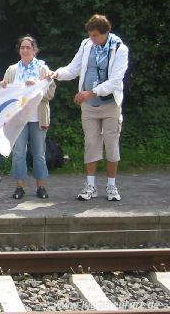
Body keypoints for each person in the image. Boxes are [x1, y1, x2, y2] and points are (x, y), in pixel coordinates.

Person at [50, 14, 129, 201]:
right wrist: (56, 74)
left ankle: (111, 186)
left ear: (105, 33)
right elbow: (73, 69)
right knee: (91, 144)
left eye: (95, 35)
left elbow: (116, 81)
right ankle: (90, 186)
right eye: (90, 35)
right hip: (89, 107)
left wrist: (90, 92)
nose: (91, 39)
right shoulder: (86, 45)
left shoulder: (120, 49)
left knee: (111, 145)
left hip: (110, 105)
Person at [0, 35, 56, 199]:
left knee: (39, 152)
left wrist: (37, 87)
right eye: (22, 47)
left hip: (38, 117)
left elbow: (50, 93)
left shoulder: (43, 69)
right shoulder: (12, 70)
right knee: (18, 153)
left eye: (28, 47)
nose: (25, 50)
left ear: (35, 50)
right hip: (18, 118)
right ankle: (19, 187)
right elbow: (6, 94)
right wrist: (3, 86)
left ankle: (40, 186)